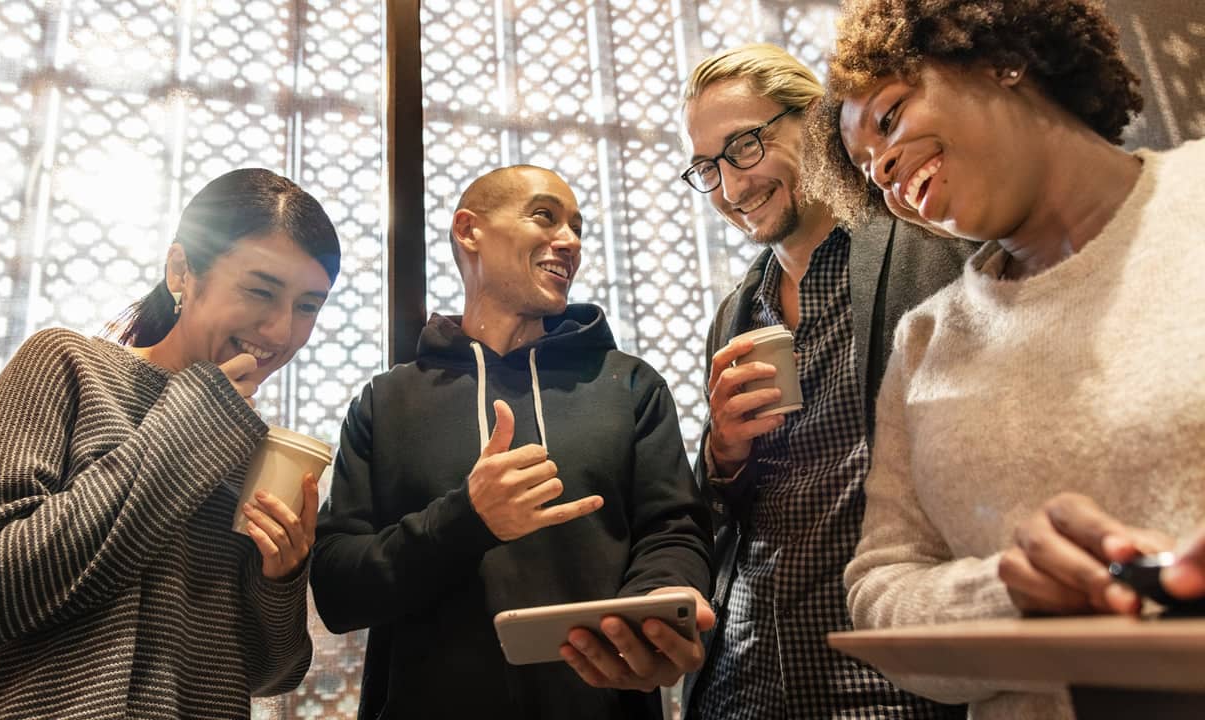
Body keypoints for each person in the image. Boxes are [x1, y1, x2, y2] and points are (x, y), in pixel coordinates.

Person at [803, 0, 1205, 717]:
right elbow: (880, 587)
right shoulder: (926, 340)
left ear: (1002, 60)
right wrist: (1006, 592)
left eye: (890, 118)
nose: (887, 173)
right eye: (868, 175)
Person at [0, 168, 341, 719]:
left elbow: (270, 673)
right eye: (260, 290)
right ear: (180, 270)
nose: (281, 331)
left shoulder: (254, 447)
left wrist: (280, 579)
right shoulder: (68, 364)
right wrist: (201, 415)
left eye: (308, 306)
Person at [309, 165, 713, 719]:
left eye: (577, 226)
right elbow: (337, 589)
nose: (569, 241)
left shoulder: (631, 385)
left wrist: (657, 603)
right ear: (468, 230)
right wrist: (468, 518)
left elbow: (673, 531)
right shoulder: (386, 400)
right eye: (545, 216)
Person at [676, 43, 973, 719]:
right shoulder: (736, 313)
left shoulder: (927, 250)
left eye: (745, 146)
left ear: (816, 119)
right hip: (746, 683)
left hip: (892, 684)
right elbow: (724, 514)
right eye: (706, 166)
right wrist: (722, 455)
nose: (730, 186)